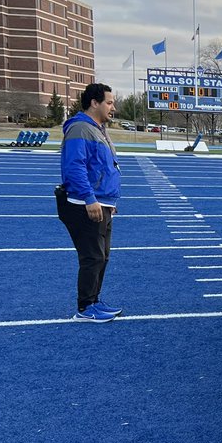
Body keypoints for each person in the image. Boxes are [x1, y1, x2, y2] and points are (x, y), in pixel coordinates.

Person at [56, 82, 122, 322]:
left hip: (102, 202)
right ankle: (85, 307)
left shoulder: (98, 129)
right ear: (94, 103)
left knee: (102, 256)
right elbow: (75, 168)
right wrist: (90, 198)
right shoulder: (81, 129)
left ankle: (94, 300)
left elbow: (104, 167)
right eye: (109, 102)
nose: (113, 107)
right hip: (84, 204)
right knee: (92, 256)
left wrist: (109, 199)